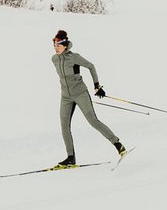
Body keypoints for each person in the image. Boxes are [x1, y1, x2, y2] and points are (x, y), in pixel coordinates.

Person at [51, 30, 125, 168]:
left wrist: (97, 86)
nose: (55, 47)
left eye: (58, 45)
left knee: (93, 121)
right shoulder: (54, 59)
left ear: (65, 45)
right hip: (66, 96)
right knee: (64, 126)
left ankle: (118, 145)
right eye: (54, 44)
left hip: (80, 93)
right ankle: (70, 158)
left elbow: (91, 66)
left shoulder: (74, 57)